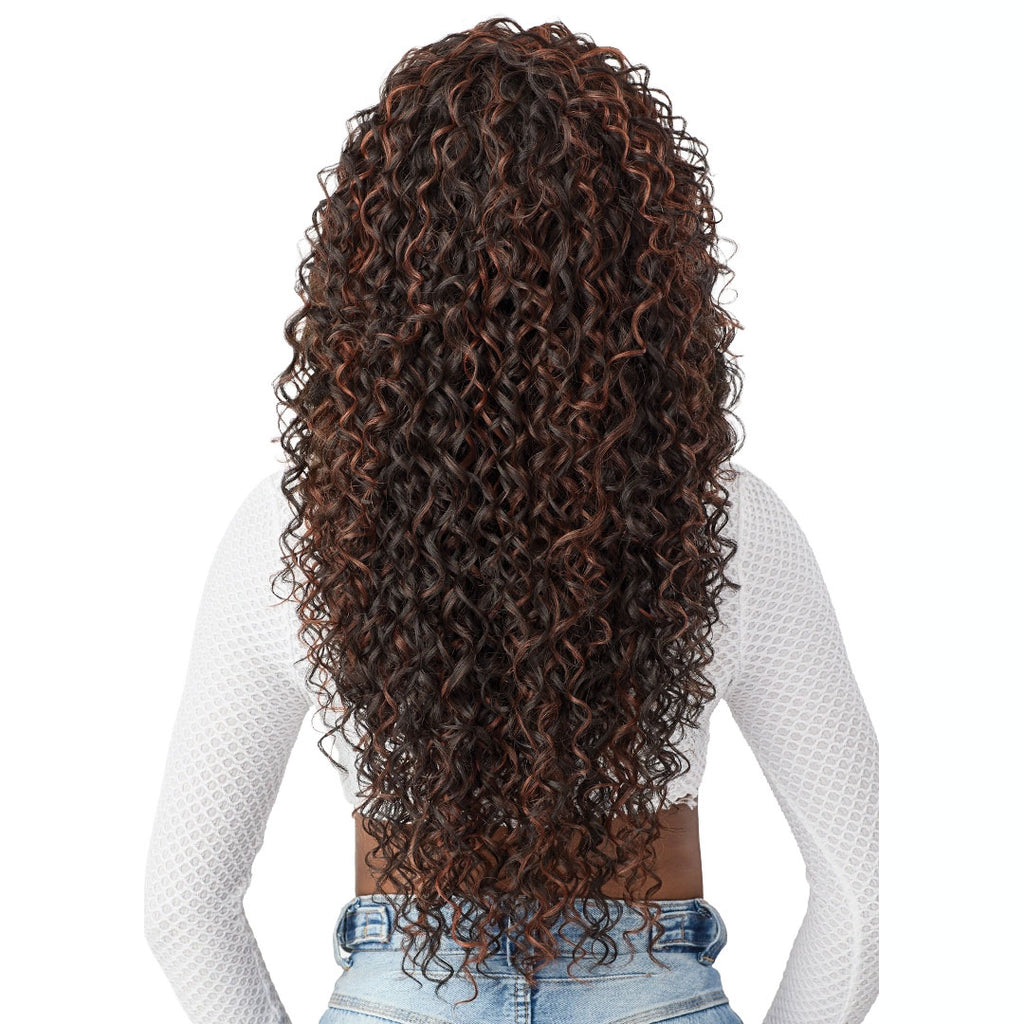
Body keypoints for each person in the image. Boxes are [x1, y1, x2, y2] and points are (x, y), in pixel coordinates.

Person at [143, 17, 879, 1024]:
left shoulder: (292, 529)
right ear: (643, 267)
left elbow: (183, 904)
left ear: (372, 274)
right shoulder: (726, 518)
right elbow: (865, 886)